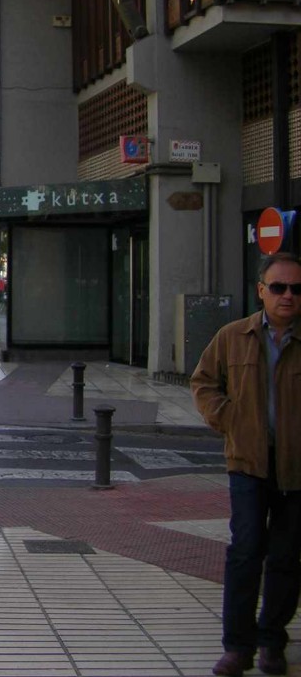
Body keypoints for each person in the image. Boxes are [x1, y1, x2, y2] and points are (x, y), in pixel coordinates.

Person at [191, 252, 301, 677]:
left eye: (296, 288)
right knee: (246, 551)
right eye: (279, 287)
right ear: (261, 291)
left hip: (296, 468)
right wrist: (229, 418)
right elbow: (203, 382)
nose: (288, 295)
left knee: (286, 557)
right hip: (247, 462)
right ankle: (238, 647)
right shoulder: (233, 336)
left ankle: (272, 640)